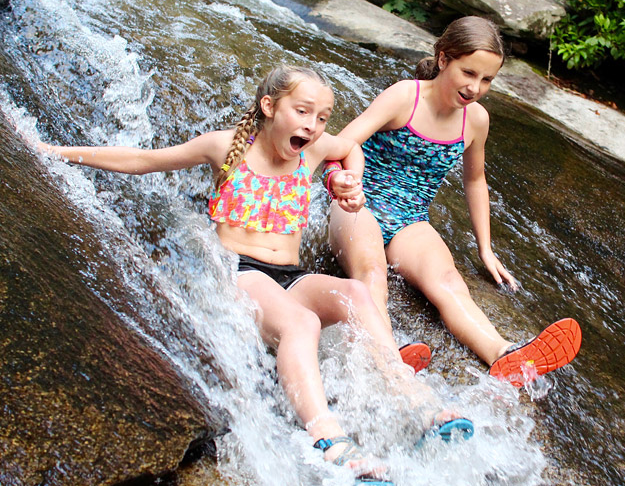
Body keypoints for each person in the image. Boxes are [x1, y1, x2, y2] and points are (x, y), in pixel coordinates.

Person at [39, 65, 472, 486]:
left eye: (322, 117)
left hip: (290, 275)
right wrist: (54, 153)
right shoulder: (224, 146)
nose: (314, 125)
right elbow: (142, 160)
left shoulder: (314, 151)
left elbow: (350, 147)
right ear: (268, 106)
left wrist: (349, 180)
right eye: (303, 112)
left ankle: (418, 403)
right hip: (239, 274)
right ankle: (328, 437)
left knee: (356, 293)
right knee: (301, 323)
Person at [327, 17, 582, 387]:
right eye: (469, 72)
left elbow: (475, 180)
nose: (475, 87)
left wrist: (486, 249)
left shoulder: (476, 120)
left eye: (487, 79)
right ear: (444, 58)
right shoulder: (405, 97)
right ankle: (385, 355)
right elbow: (340, 144)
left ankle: (505, 355)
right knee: (372, 271)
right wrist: (339, 179)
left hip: (410, 220)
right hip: (358, 208)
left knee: (448, 281)